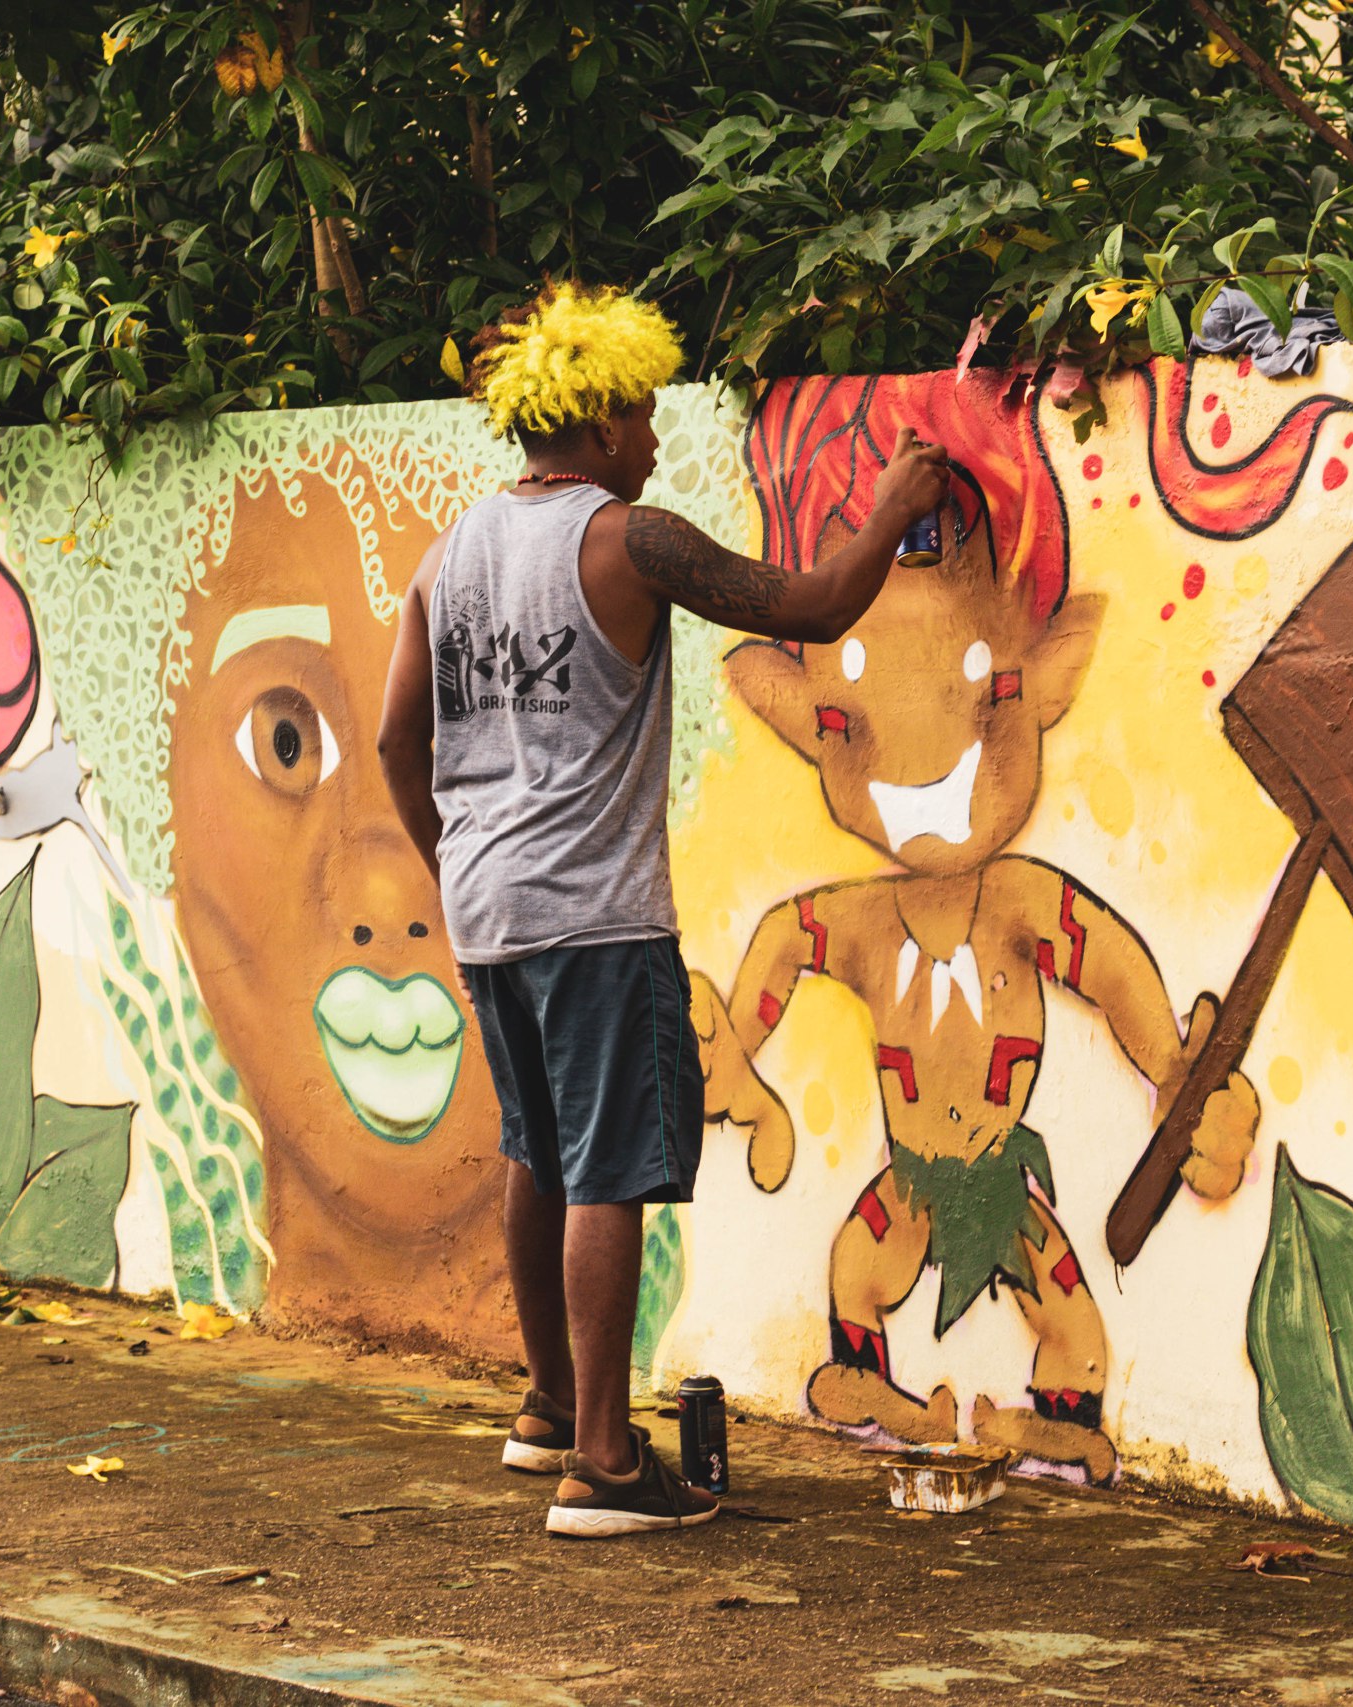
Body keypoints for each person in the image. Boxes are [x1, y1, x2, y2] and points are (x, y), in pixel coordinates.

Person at [375, 281, 951, 1537]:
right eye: (638, 413)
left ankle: (544, 1407)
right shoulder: (626, 540)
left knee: (538, 1150)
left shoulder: (449, 554)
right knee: (607, 1172)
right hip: (593, 916)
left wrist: (453, 863)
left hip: (489, 909)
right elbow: (808, 607)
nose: (650, 435)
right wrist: (895, 509)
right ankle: (604, 1464)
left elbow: (391, 733)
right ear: (592, 421)